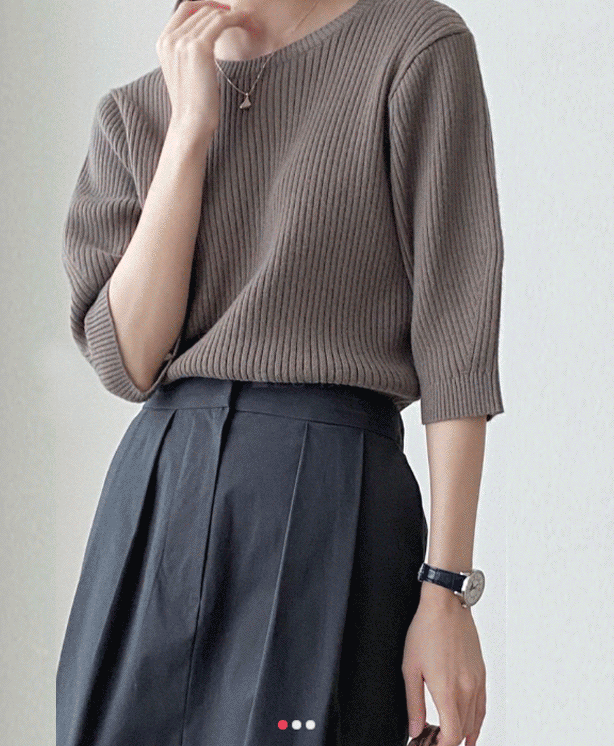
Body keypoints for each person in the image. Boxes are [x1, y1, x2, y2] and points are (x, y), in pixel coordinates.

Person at [56, 0, 505, 745]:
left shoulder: (412, 48)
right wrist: (189, 128)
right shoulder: (136, 111)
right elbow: (128, 359)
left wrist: (447, 591)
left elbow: (456, 340)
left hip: (329, 498)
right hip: (158, 504)